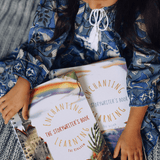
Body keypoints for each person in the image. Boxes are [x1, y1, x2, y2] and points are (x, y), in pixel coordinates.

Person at [0, 0, 160, 159]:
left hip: (125, 66)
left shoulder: (142, 10)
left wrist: (133, 128)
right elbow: (45, 36)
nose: (92, 5)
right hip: (72, 51)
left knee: (124, 139)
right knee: (16, 82)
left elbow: (145, 69)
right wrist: (24, 81)